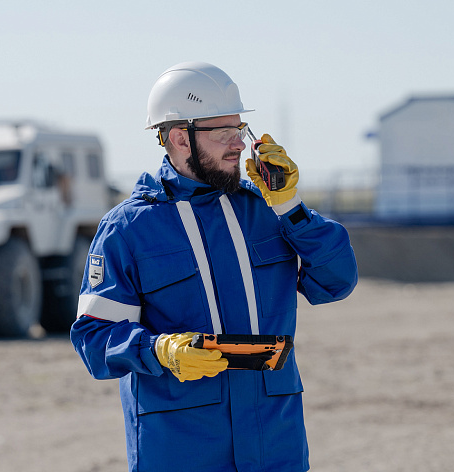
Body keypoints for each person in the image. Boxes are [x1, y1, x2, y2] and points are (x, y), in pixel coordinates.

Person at [70, 61, 358, 472]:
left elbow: (337, 281)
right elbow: (93, 338)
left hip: (275, 447)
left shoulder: (267, 211)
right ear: (178, 138)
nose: (239, 144)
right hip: (182, 449)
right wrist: (159, 351)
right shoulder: (129, 229)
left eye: (240, 130)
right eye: (222, 132)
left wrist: (290, 206)